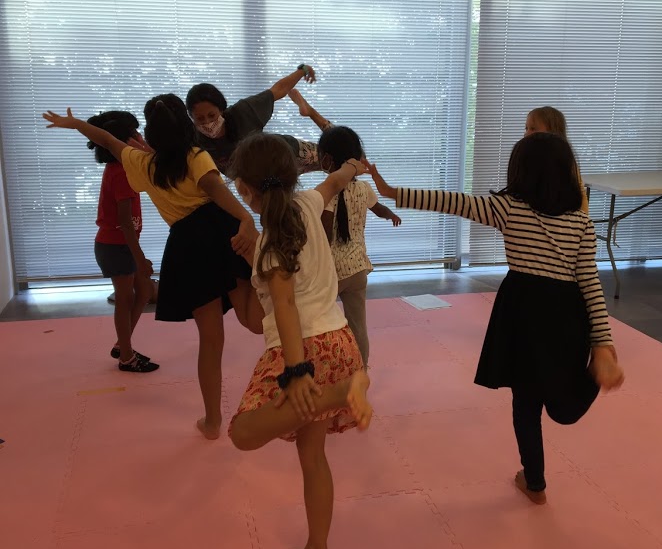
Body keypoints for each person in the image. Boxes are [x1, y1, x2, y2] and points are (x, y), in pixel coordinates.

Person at [367, 133, 624, 505]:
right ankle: (585, 388)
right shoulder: (581, 223)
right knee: (561, 405)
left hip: (522, 314)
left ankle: (535, 482)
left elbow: (455, 203)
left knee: (526, 403)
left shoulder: (509, 208)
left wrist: (393, 192)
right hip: (567, 318)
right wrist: (602, 344)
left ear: (521, 172)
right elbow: (590, 283)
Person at [43, 97, 264, 438]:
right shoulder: (196, 157)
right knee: (254, 321)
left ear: (151, 135)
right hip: (222, 234)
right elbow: (216, 191)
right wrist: (246, 219)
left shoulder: (145, 164)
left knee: (210, 340)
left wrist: (75, 125)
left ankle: (212, 422)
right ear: (187, 126)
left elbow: (107, 140)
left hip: (187, 248)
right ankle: (292, 305)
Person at [227, 133, 372, 549]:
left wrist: (296, 371)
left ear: (246, 190)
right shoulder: (309, 203)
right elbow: (336, 180)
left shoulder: (272, 243)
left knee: (243, 434)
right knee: (313, 457)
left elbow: (286, 306)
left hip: (304, 351)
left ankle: (342, 393)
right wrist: (354, 166)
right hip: (339, 342)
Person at [316, 122, 401, 368]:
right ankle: (361, 370)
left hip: (331, 273)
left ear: (327, 160)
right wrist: (391, 215)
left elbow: (324, 234)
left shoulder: (327, 193)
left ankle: (328, 369)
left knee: (321, 325)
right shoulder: (363, 188)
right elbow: (378, 208)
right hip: (357, 268)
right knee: (358, 325)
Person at [88, 110, 158, 373]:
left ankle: (122, 344)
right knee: (125, 298)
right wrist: (140, 258)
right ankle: (126, 357)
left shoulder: (124, 168)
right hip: (115, 246)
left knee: (145, 291)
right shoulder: (120, 172)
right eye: (134, 133)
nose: (139, 137)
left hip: (120, 245)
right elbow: (125, 223)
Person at [185, 64, 328, 179]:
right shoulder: (195, 140)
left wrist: (303, 70)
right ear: (191, 118)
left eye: (212, 115)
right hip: (263, 179)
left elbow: (277, 90)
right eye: (200, 119)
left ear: (221, 109)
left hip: (288, 153)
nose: (208, 123)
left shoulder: (242, 112)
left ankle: (309, 111)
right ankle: (308, 110)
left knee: (335, 156)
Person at [525, 106, 589, 213]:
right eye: (526, 128)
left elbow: (580, 196)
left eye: (533, 129)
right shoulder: (526, 158)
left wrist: (583, 219)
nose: (526, 134)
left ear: (552, 132)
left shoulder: (566, 162)